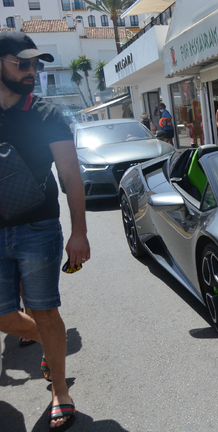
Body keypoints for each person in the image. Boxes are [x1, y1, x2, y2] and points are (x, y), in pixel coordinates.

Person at [0, 31, 90, 430]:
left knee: (45, 310)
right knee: (3, 316)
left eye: (36, 64)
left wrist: (79, 232)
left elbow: (71, 175)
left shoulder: (47, 113)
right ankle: (45, 342)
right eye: (23, 64)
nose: (32, 71)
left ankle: (60, 390)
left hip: (38, 227)